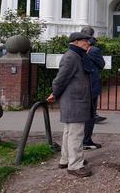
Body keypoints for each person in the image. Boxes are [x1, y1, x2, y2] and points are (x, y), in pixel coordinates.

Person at [47, 32, 94, 178]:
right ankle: (75, 165)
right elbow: (60, 79)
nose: (88, 43)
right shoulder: (71, 57)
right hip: (75, 101)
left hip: (73, 100)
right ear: (76, 42)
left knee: (69, 131)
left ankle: (66, 159)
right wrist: (54, 93)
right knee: (76, 133)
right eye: (85, 41)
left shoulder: (76, 55)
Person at [80, 26, 106, 151]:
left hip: (80, 87)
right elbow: (102, 64)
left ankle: (81, 140)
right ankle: (86, 140)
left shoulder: (76, 50)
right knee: (90, 115)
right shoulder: (94, 50)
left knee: (80, 116)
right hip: (91, 85)